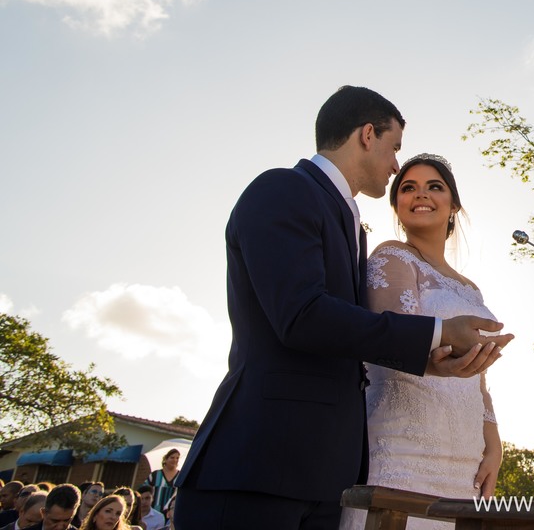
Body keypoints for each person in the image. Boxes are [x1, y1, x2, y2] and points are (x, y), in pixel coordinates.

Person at [175, 87, 513, 530]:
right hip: (259, 463)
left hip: (324, 475)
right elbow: (301, 316)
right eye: (395, 149)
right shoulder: (283, 189)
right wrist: (440, 334)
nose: (396, 166)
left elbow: (352, 336)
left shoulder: (349, 222)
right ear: (367, 134)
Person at [340, 154, 502, 530]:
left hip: (465, 457)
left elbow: (480, 383)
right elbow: (394, 339)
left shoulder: (470, 289)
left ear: (453, 206)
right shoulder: (393, 257)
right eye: (408, 188)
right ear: (397, 206)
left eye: (434, 186)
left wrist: (493, 442)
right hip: (402, 448)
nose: (420, 195)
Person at [139, 450, 179, 515]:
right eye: (172, 457)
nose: (175, 460)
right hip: (154, 511)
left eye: (177, 458)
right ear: (165, 459)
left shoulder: (180, 477)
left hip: (171, 512)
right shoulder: (155, 475)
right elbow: (144, 490)